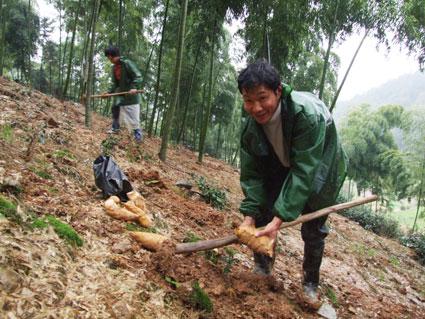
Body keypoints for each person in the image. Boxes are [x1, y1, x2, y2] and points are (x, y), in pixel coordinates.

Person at [237, 60, 347, 308]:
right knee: (263, 208)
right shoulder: (250, 129)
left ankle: (310, 283)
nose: (255, 108)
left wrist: (280, 220)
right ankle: (263, 269)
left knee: (313, 224)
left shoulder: (306, 115)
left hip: (320, 166)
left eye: (262, 98)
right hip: (281, 162)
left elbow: (305, 170)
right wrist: (250, 216)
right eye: (248, 100)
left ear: (278, 91)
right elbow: (252, 175)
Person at [103, 45, 143, 143]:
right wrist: (108, 92)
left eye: (108, 57)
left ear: (111, 56)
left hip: (131, 97)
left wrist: (134, 87)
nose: (109, 59)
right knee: (116, 108)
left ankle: (138, 136)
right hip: (121, 95)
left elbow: (138, 76)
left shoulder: (127, 63)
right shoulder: (114, 68)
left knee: (134, 117)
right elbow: (114, 83)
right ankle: (115, 128)